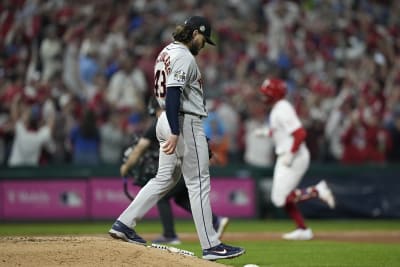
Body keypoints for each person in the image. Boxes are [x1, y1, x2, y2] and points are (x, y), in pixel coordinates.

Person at [109, 16, 245, 260]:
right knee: (198, 182)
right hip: (181, 121)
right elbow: (173, 93)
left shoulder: (165, 52)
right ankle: (212, 245)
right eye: (203, 39)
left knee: (164, 178)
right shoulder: (183, 55)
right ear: (194, 33)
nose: (204, 45)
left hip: (167, 120)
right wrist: (175, 130)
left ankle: (124, 223)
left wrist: (171, 127)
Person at [121, 98, 229, 245]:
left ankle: (169, 234)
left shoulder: (160, 122)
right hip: (188, 165)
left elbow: (139, 148)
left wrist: (126, 167)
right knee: (181, 198)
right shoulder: (180, 118)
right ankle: (215, 221)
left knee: (162, 195)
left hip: (184, 167)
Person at [255, 77, 336, 240]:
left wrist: (291, 154)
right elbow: (279, 132)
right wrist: (265, 133)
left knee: (279, 199)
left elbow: (300, 133)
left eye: (267, 93)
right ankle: (303, 229)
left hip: (294, 155)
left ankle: (317, 190)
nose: (264, 96)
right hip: (287, 154)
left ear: (275, 93)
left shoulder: (282, 108)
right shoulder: (278, 108)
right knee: (279, 198)